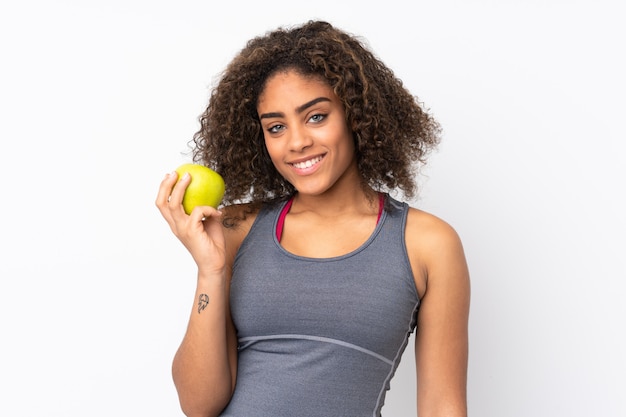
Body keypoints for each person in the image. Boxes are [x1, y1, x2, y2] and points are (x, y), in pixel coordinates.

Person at [156, 20, 470, 417]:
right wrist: (210, 270)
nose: (297, 141)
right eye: (276, 126)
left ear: (356, 115)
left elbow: (443, 406)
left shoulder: (427, 244)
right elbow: (198, 404)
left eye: (316, 117)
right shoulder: (237, 228)